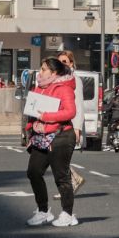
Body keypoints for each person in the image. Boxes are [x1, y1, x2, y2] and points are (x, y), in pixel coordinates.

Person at [23, 56, 80, 227]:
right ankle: (43, 211)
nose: (40, 72)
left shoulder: (64, 88)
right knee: (33, 172)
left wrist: (46, 116)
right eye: (40, 68)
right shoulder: (39, 87)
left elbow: (70, 112)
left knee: (61, 177)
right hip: (41, 137)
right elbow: (33, 110)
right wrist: (31, 123)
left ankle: (67, 214)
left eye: (43, 69)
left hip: (61, 136)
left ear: (53, 72)